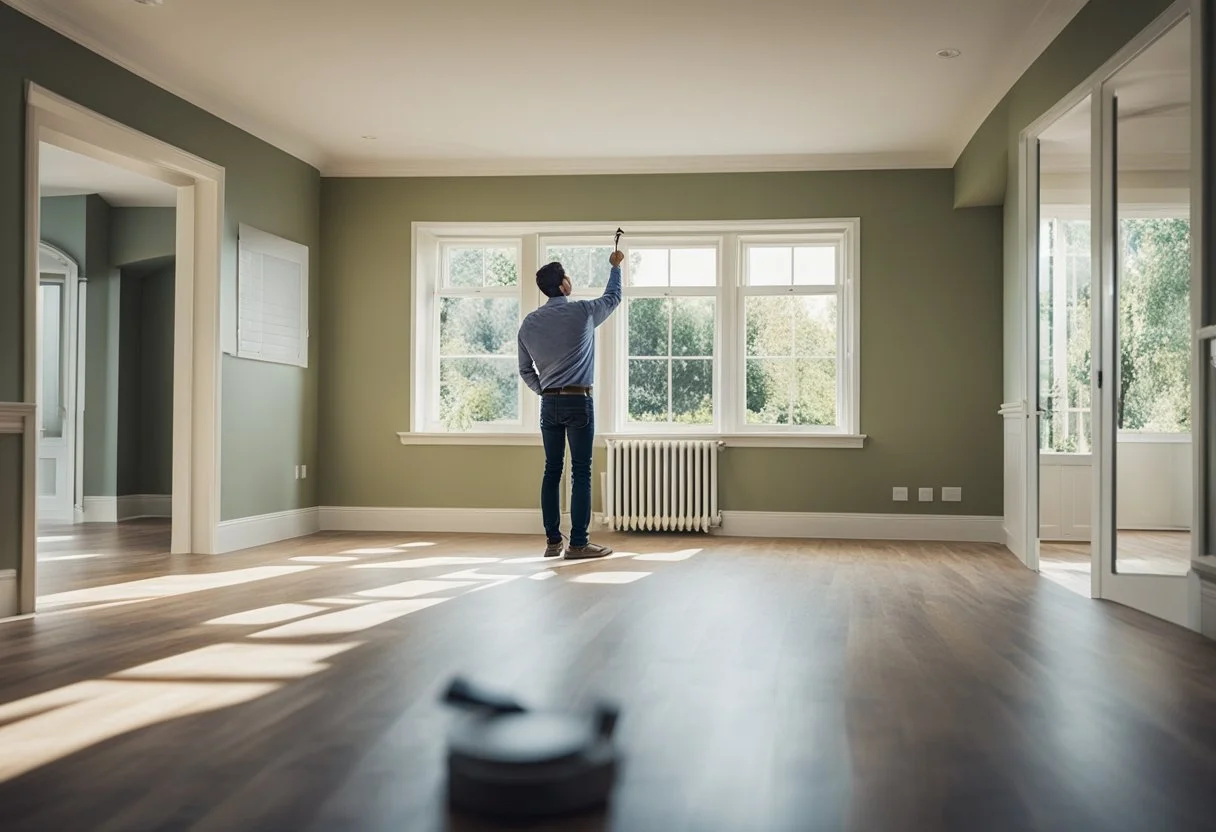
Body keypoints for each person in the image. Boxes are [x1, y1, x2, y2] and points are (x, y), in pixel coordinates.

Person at [518, 249, 624, 558]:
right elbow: (613, 297)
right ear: (564, 284)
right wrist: (615, 267)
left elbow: (525, 369)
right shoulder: (583, 311)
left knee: (552, 471)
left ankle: (553, 542)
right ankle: (578, 543)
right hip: (578, 401)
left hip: (548, 405)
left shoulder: (529, 323)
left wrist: (545, 391)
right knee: (581, 471)